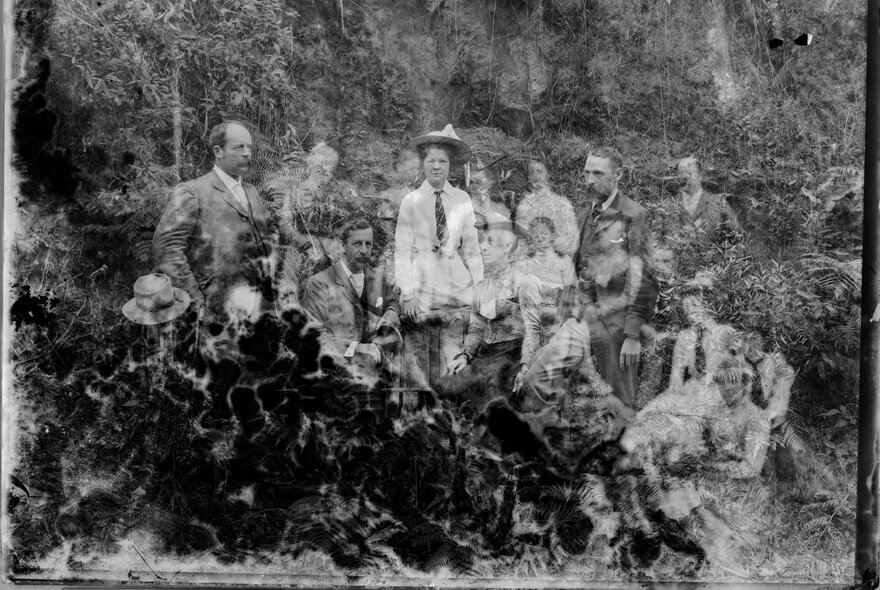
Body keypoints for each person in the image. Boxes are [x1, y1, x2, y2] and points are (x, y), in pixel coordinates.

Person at [520, 147, 657, 411]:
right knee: (535, 380)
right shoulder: (583, 217)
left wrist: (631, 336)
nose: (589, 180)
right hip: (580, 319)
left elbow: (645, 279)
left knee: (619, 404)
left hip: (615, 323)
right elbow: (572, 277)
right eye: (586, 173)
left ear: (618, 175)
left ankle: (621, 448)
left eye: (597, 173)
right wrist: (560, 324)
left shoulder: (633, 214)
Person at [153, 120, 279, 331]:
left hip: (260, 311)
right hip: (216, 314)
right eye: (239, 147)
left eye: (249, 147)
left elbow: (270, 225)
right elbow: (165, 247)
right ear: (218, 151)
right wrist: (193, 298)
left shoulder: (251, 192)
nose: (247, 153)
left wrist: (271, 250)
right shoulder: (193, 192)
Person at [394, 125, 483, 387]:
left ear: (449, 165)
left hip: (454, 278)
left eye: (442, 161)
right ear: (423, 163)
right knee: (420, 345)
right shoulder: (411, 201)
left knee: (453, 342)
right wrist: (407, 291)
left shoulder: (462, 198)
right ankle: (422, 404)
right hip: (423, 276)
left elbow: (472, 248)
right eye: (431, 161)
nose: (436, 167)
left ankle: (451, 399)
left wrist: (480, 285)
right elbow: (401, 249)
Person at [445, 213, 542, 414]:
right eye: (482, 240)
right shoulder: (481, 287)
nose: (483, 247)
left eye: (490, 241)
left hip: (511, 358)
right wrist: (464, 356)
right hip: (484, 356)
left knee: (490, 393)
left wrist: (525, 369)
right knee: (450, 382)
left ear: (507, 247)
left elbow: (533, 330)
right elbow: (476, 329)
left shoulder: (524, 282)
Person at [302, 217, 402, 387]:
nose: (364, 250)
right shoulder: (320, 283)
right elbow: (313, 339)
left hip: (378, 377)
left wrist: (391, 311)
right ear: (342, 246)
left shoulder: (377, 277)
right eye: (357, 244)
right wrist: (358, 348)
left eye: (368, 244)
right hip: (337, 378)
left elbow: (392, 301)